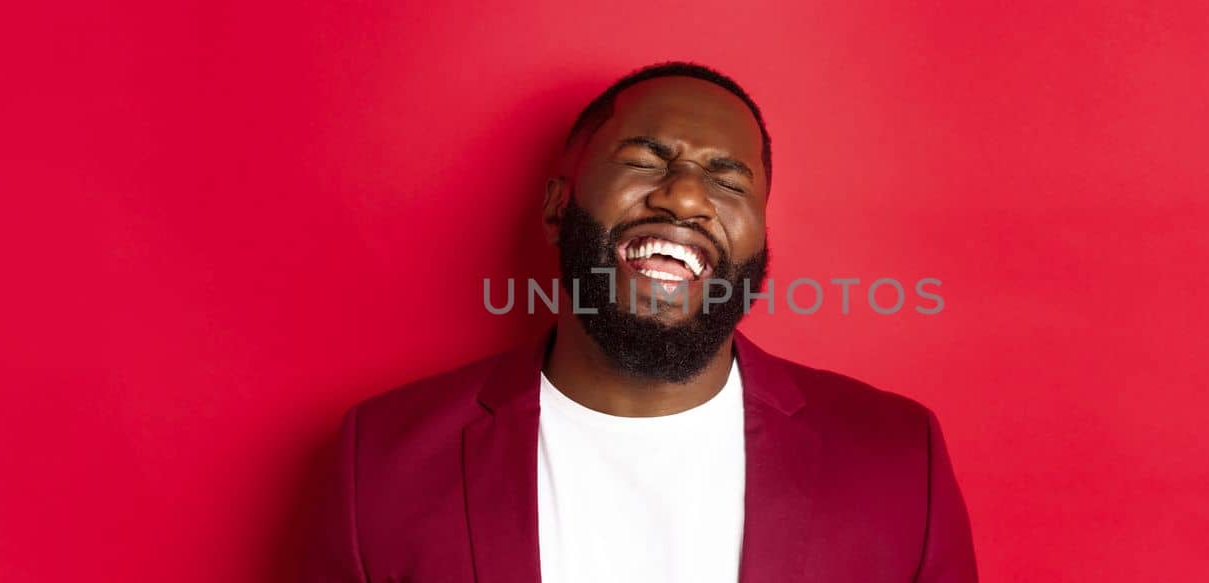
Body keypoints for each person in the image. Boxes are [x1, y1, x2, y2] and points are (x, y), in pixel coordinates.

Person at [301, 61, 978, 582]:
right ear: (556, 207)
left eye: (728, 179)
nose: (685, 195)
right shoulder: (382, 463)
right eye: (645, 159)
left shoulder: (897, 459)